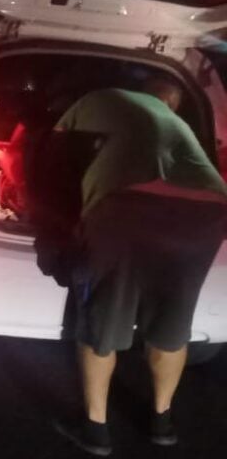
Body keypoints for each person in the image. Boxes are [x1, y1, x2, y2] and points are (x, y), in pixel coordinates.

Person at [49, 78, 227, 456]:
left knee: (104, 322)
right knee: (171, 323)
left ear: (139, 90)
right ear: (172, 105)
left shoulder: (100, 95)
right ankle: (162, 422)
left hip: (127, 209)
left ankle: (96, 430)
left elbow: (51, 149)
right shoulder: (179, 127)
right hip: (208, 215)